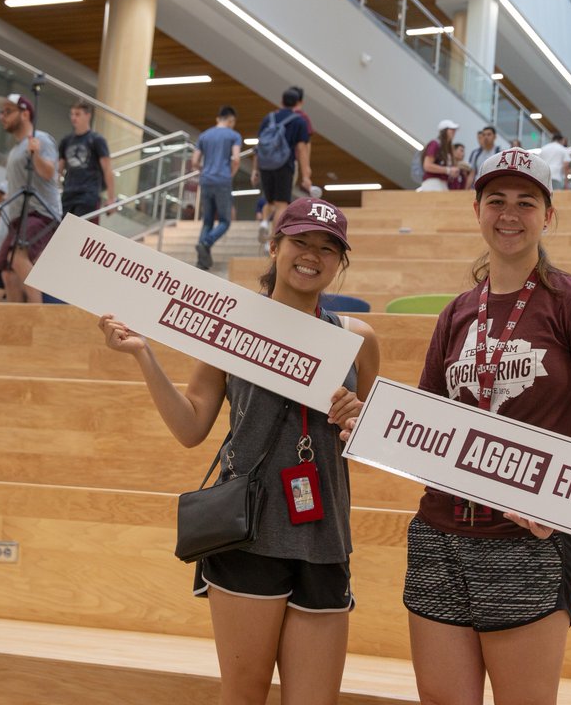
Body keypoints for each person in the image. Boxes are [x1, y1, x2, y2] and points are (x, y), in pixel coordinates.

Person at [373, 148, 571, 705]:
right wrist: (370, 427)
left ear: (548, 215)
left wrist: (559, 501)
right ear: (476, 211)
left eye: (525, 202)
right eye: (496, 201)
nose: (509, 214)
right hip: (440, 532)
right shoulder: (456, 313)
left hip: (529, 541)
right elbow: (428, 423)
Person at [99, 196, 380, 705]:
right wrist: (144, 355)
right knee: (244, 695)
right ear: (274, 246)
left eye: (327, 247)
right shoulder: (230, 327)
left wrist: (357, 421)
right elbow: (191, 427)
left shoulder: (358, 339)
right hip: (247, 537)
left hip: (325, 539)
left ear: (340, 262)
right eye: (300, 241)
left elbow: (365, 441)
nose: (311, 255)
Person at [0, 92, 60, 303]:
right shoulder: (14, 152)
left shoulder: (41, 140)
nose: (2, 116)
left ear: (25, 114)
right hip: (18, 218)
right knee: (8, 274)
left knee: (18, 260)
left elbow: (49, 173)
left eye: (8, 111)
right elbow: (16, 187)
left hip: (41, 213)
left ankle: (36, 318)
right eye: (1, 112)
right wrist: (1, 199)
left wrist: (36, 154)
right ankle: (19, 326)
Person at [254, 87, 313, 243]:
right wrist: (306, 175)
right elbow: (301, 149)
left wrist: (255, 169)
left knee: (269, 201)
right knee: (281, 204)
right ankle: (274, 241)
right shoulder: (299, 121)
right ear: (298, 103)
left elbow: (258, 146)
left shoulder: (269, 118)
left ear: (281, 101)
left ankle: (265, 222)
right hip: (284, 165)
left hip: (265, 165)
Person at [192, 106, 242, 270]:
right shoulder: (234, 136)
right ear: (231, 120)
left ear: (217, 118)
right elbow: (236, 159)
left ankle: (202, 260)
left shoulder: (204, 135)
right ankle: (206, 243)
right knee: (225, 221)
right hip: (222, 180)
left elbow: (194, 161)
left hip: (206, 180)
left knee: (207, 221)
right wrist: (230, 175)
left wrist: (204, 171)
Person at [57, 100, 114, 226]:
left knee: (79, 233)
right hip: (68, 193)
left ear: (88, 115)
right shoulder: (66, 141)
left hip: (88, 195)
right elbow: (59, 169)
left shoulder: (97, 140)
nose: (73, 117)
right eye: (72, 114)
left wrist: (111, 198)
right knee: (61, 232)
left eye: (77, 114)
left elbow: (107, 169)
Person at [418, 119, 460, 192]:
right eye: (451, 129)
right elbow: (427, 166)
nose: (454, 132)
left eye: (454, 130)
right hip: (433, 183)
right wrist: (448, 170)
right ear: (444, 131)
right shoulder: (435, 144)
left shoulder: (448, 148)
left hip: (443, 184)